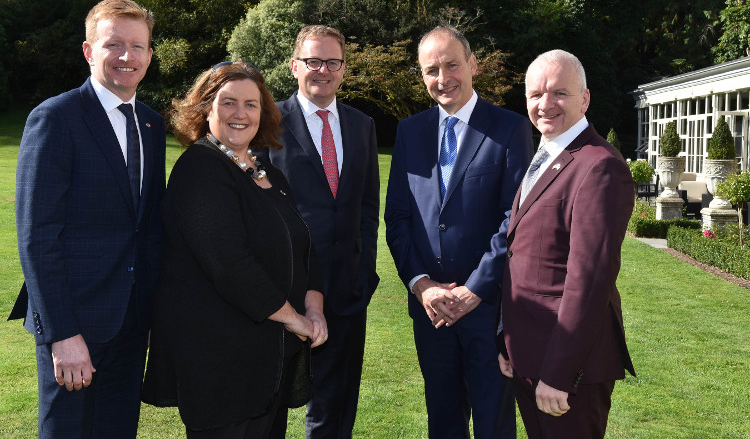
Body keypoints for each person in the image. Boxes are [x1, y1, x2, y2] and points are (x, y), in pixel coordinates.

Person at [141, 61, 328, 439]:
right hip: (220, 362)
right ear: (205, 109)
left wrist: (314, 307)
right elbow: (229, 263)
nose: (240, 114)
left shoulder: (266, 172)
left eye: (251, 104)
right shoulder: (201, 170)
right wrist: (294, 319)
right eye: (228, 103)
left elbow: (302, 247)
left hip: (267, 359)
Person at [9, 0, 165, 438]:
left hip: (132, 325)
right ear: (88, 50)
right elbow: (37, 236)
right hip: (76, 326)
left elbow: (148, 230)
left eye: (138, 47)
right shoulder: (56, 118)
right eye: (114, 44)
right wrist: (62, 334)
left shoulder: (151, 126)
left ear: (150, 54)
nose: (126, 57)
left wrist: (152, 315)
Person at [384, 25, 533, 438]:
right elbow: (397, 217)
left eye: (452, 64)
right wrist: (422, 285)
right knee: (443, 423)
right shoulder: (409, 132)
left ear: (473, 65)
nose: (442, 77)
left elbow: (514, 220)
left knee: (493, 423)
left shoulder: (509, 128)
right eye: (431, 69)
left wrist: (473, 290)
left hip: (487, 310)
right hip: (431, 313)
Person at [497, 50, 636, 439]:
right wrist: (509, 340)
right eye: (535, 94)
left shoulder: (598, 166)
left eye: (559, 93)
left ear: (585, 99)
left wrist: (559, 374)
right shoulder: (547, 153)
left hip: (567, 370)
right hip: (529, 354)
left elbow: (588, 283)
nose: (545, 105)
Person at [266, 25, 379, 438]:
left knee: (335, 409)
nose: (324, 70)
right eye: (314, 61)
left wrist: (365, 270)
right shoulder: (268, 122)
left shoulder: (362, 125)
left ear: (344, 69)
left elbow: (368, 208)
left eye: (333, 62)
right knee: (269, 403)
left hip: (348, 292)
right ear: (295, 66)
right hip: (284, 293)